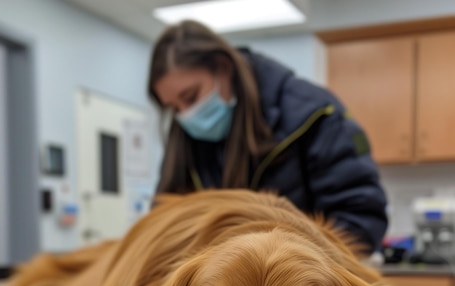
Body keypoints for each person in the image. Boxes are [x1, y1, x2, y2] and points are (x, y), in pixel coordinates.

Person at [148, 20, 388, 253]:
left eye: (191, 97)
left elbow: (362, 220)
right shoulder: (185, 136)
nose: (186, 115)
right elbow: (161, 225)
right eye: (173, 108)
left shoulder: (316, 115)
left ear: (223, 68)